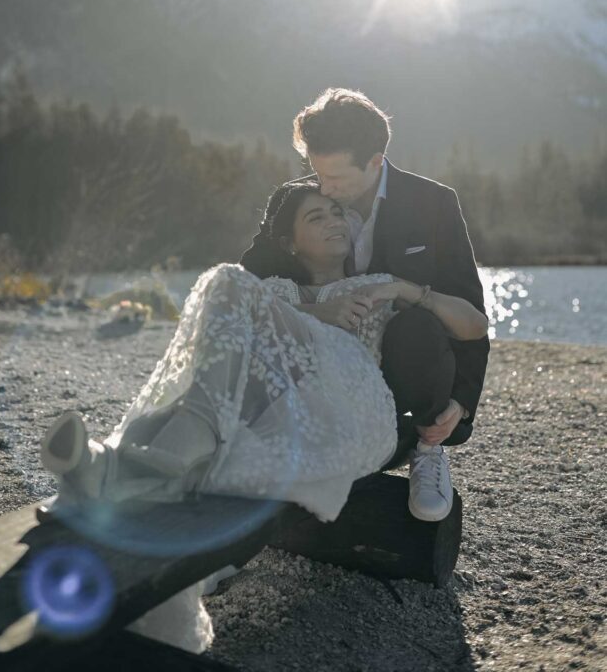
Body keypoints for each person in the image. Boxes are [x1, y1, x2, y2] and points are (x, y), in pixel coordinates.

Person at [41, 182, 487, 525]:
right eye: (316, 217)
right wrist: (316, 310)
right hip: (273, 409)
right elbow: (224, 349)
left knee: (228, 285)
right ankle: (104, 464)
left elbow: (474, 325)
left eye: (337, 213)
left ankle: (156, 450)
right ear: (290, 243)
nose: (334, 221)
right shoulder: (272, 291)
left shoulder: (376, 287)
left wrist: (407, 289)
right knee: (226, 289)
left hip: (350, 410)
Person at [241, 87, 490, 521]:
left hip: (395, 366)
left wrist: (461, 403)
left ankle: (426, 449)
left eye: (335, 178)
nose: (324, 188)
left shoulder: (433, 203)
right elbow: (241, 289)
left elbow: (468, 308)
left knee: (421, 326)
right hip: (311, 376)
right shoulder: (294, 202)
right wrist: (314, 313)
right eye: (316, 173)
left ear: (376, 161)